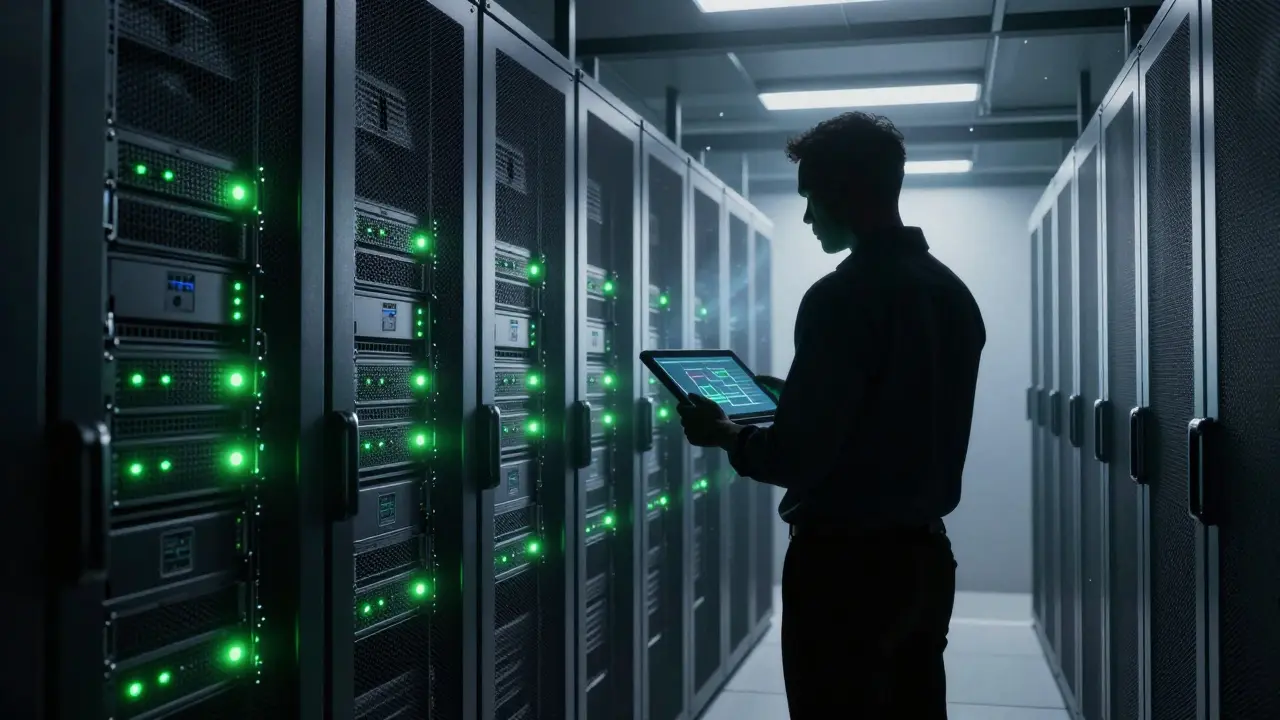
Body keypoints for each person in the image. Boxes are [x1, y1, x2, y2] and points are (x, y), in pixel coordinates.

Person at [677, 112, 986, 718]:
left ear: (845, 191)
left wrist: (726, 435)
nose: (807, 216)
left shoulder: (840, 296)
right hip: (923, 564)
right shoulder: (949, 290)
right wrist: (799, 393)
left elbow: (798, 458)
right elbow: (895, 408)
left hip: (846, 575)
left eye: (811, 197)